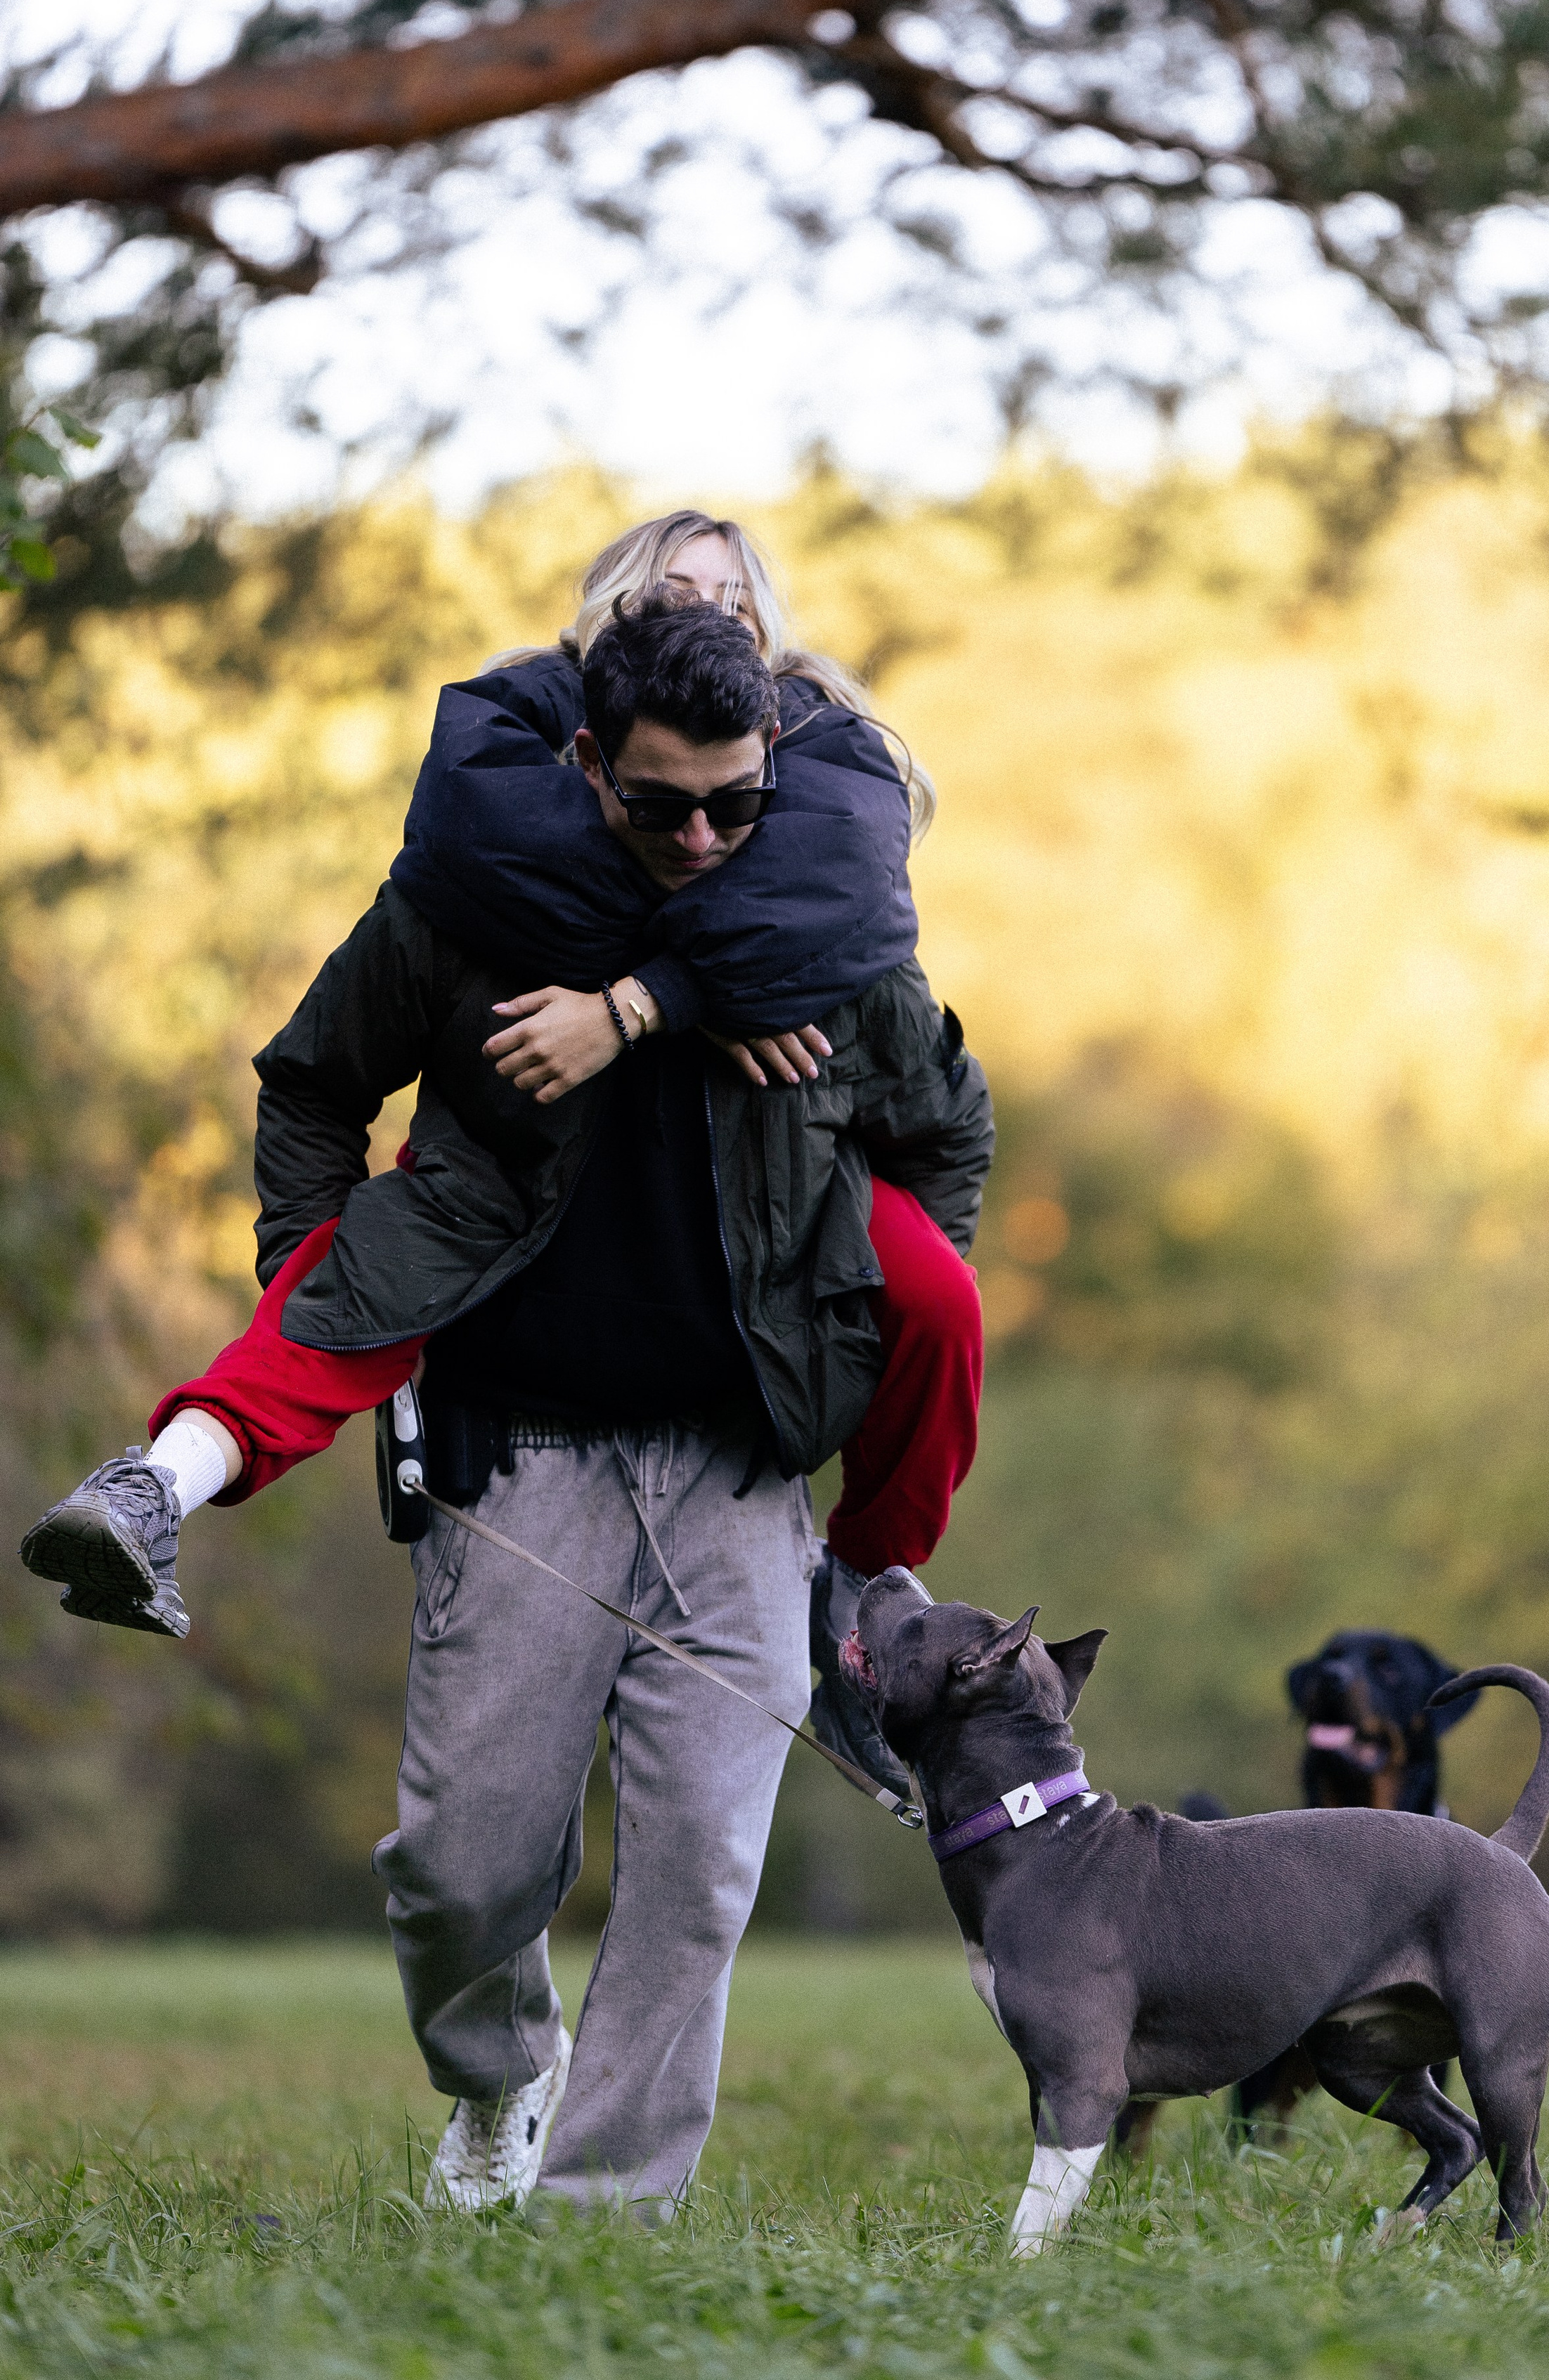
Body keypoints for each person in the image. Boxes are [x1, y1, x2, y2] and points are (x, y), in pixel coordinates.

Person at [28, 592, 994, 2217]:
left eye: (736, 801)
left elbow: (946, 1135)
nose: (700, 835)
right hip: (516, 1448)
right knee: (459, 1867)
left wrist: (853, 1299)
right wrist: (327, 1282)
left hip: (733, 1471)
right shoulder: (466, 910)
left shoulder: (827, 944)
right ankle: (497, 2076)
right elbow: (313, 1080)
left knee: (696, 1871)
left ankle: (605, 2223)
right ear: (582, 763)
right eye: (658, 799)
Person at [22, 513, 983, 1792]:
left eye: (734, 604)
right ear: (597, 677)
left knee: (936, 1301)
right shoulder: (490, 829)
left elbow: (923, 1067)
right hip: (501, 1216)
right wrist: (296, 1258)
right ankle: (153, 1489)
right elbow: (318, 1072)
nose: (698, 834)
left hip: (784, 1214)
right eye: (664, 596)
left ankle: (866, 1588)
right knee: (347, 1289)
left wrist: (658, 1007)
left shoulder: (826, 838)